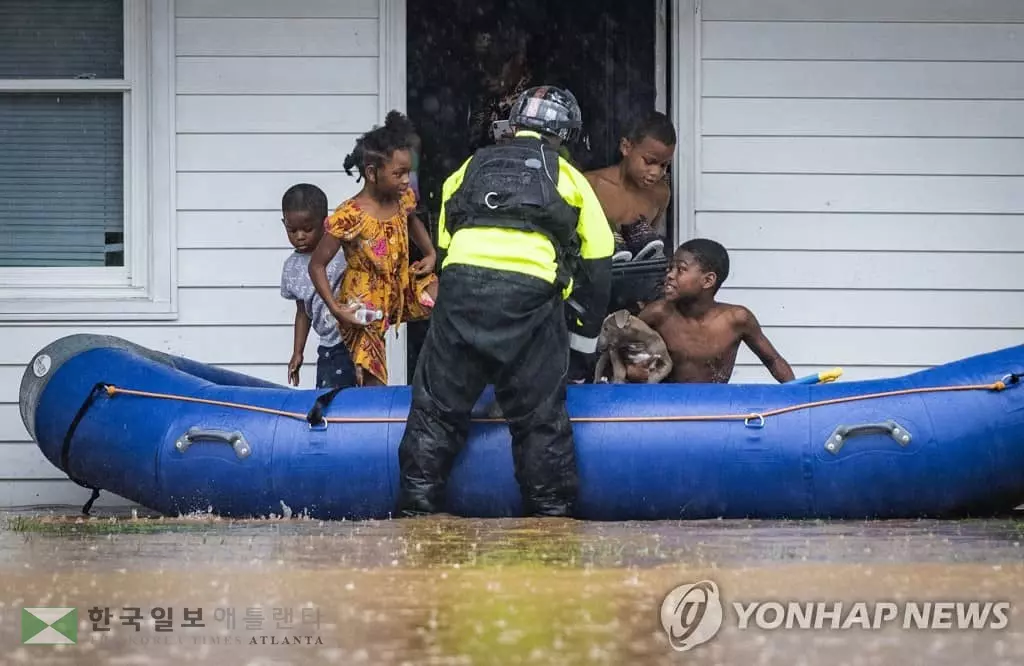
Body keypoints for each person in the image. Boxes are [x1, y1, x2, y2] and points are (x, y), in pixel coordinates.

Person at [396, 86, 615, 518]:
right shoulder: (568, 178)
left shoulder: (469, 167)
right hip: (529, 299)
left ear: (513, 125)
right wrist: (583, 342)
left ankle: (415, 511)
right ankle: (550, 517)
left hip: (461, 292)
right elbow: (599, 258)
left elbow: (447, 244)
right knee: (539, 418)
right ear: (564, 136)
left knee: (435, 410)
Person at [308, 111, 439, 387]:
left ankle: (445, 377)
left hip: (398, 286)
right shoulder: (350, 215)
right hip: (364, 300)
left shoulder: (401, 198)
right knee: (372, 376)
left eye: (408, 172)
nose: (406, 180)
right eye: (398, 174)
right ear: (371, 173)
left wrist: (430, 253)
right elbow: (316, 265)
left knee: (443, 293)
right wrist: (336, 309)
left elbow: (412, 220)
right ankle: (374, 405)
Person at [639, 239, 795, 384]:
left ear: (708, 280)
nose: (670, 275)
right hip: (665, 402)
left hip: (717, 402)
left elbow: (773, 361)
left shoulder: (736, 319)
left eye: (681, 269)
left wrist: (797, 395)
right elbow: (626, 350)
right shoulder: (658, 314)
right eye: (670, 268)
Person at [279, 184, 358, 389]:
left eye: (307, 229)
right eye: (292, 230)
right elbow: (302, 312)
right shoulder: (291, 268)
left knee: (356, 397)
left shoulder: (340, 252)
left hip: (355, 339)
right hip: (327, 345)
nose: (300, 236)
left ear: (325, 223)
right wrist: (298, 352)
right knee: (327, 396)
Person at [585, 111, 676, 262]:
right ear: (626, 147)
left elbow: (651, 249)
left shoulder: (660, 194)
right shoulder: (591, 185)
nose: (656, 172)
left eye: (663, 165)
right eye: (649, 161)